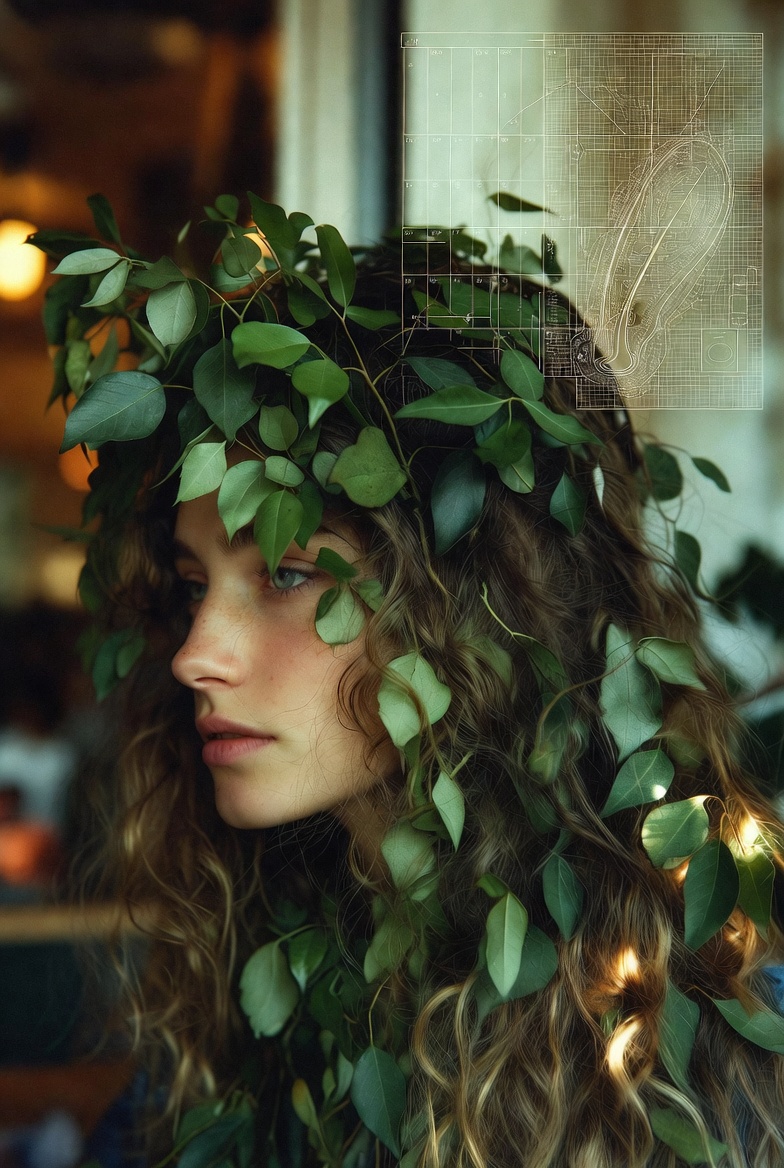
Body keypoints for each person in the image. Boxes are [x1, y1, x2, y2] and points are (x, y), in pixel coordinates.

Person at [35, 195, 784, 1168]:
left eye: (289, 572)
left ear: (473, 599)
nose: (193, 655)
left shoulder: (707, 1032)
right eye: (190, 586)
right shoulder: (234, 1032)